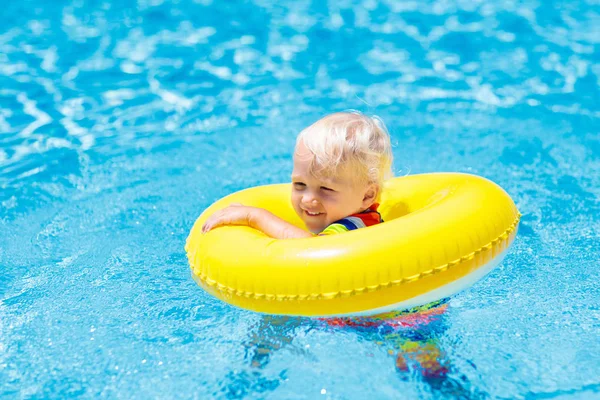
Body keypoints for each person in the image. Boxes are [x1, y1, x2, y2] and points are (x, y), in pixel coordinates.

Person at [202, 111, 394, 238]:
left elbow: (313, 250)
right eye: (299, 185)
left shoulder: (353, 227)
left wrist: (254, 216)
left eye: (326, 188)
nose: (308, 199)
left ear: (367, 196)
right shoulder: (361, 216)